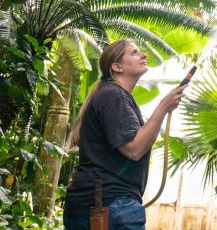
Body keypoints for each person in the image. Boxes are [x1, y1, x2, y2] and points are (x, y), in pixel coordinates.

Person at [62, 39, 187, 230]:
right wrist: (163, 106)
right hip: (113, 206)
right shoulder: (114, 96)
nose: (144, 55)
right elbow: (134, 149)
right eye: (135, 53)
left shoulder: (111, 95)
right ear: (117, 67)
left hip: (98, 205)